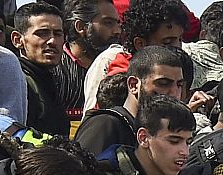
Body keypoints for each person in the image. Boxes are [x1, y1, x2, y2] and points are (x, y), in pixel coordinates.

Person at [72, 43, 183, 160]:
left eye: (179, 85)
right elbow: (80, 174)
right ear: (134, 85)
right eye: (163, 84)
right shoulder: (105, 125)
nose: (174, 93)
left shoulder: (158, 131)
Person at [10, 1, 68, 136]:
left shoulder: (48, 79)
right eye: (43, 33)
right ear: (18, 40)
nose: (53, 41)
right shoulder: (16, 84)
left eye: (58, 34)